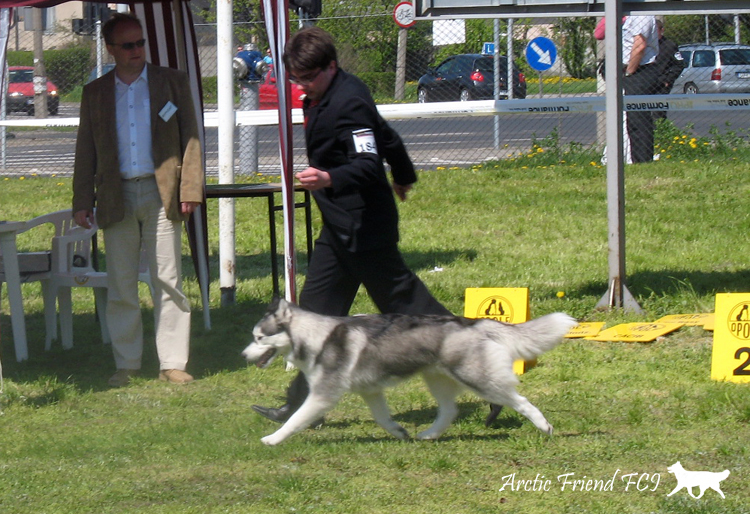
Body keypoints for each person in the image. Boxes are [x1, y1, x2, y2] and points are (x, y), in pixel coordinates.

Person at [251, 27, 503, 426]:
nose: (302, 86)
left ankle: (487, 374)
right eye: (296, 79)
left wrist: (329, 178)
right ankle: (300, 408)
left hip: (365, 228)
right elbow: (387, 135)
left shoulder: (348, 100)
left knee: (417, 318)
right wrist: (403, 174)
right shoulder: (326, 94)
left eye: (309, 77)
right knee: (312, 317)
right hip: (339, 229)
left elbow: (368, 163)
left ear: (331, 66)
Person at [72, 12, 204, 387]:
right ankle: (126, 362)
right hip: (116, 195)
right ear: (110, 49)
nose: (137, 50)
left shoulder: (172, 82)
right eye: (128, 45)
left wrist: (190, 189)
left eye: (140, 42)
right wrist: (81, 200)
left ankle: (173, 362)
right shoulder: (95, 93)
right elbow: (85, 149)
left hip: (162, 192)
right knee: (121, 283)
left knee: (168, 279)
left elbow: (191, 138)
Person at [622, 15, 661, 163]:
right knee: (632, 120)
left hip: (640, 70)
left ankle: (643, 160)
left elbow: (640, 46)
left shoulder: (641, 15)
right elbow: (599, 33)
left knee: (639, 120)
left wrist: (629, 72)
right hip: (634, 70)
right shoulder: (627, 14)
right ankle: (636, 159)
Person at [652, 19, 686, 120]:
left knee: (658, 112)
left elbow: (679, 64)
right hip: (647, 81)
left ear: (661, 30)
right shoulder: (645, 45)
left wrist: (668, 79)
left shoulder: (669, 46)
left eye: (656, 31)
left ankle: (660, 128)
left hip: (661, 84)